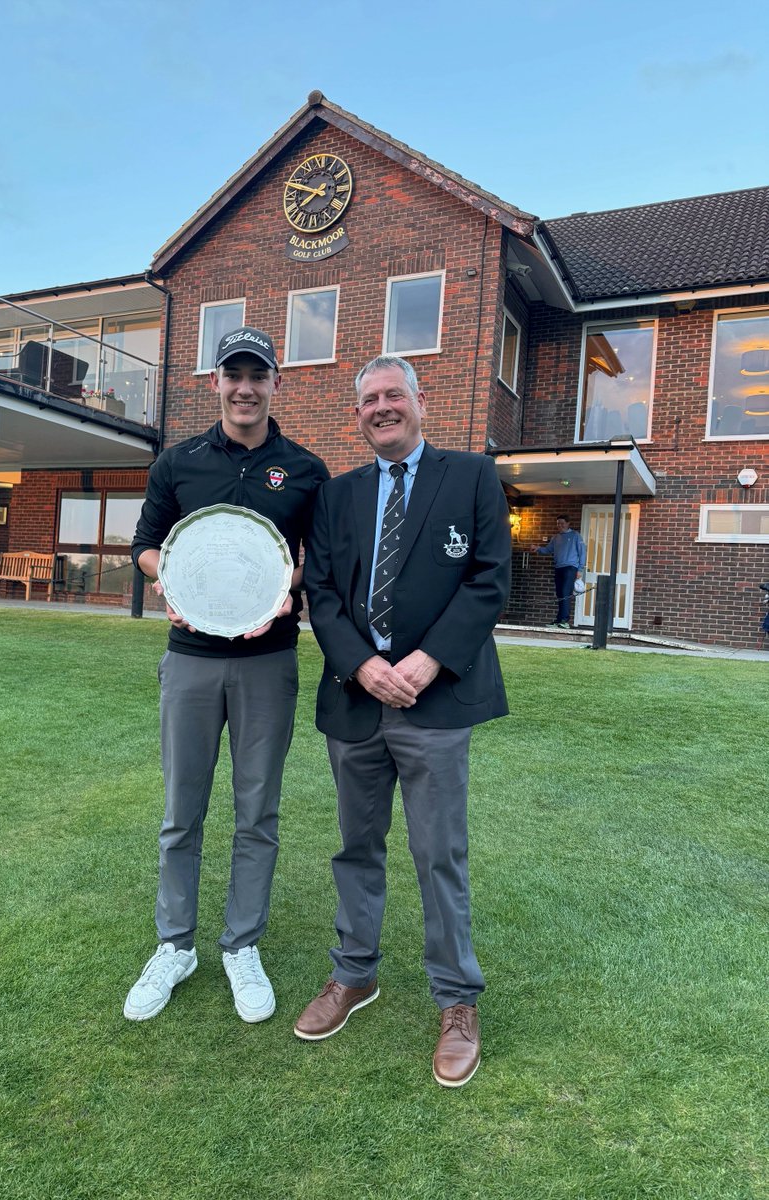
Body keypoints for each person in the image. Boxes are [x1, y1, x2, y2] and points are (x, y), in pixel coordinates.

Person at [294, 355, 511, 1087]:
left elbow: (489, 580)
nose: (382, 407)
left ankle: (457, 1001)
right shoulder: (337, 495)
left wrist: (428, 661)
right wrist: (361, 665)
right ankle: (353, 974)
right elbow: (323, 591)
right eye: (369, 400)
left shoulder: (471, 476)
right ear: (357, 414)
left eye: (394, 395)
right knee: (357, 848)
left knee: (438, 852)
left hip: (434, 700)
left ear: (421, 401)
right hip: (356, 700)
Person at [124, 326, 329, 1025]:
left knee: (257, 812)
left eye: (257, 375)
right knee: (181, 812)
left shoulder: (304, 469)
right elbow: (145, 545)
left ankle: (242, 945)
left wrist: (283, 590)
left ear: (276, 383)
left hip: (267, 661)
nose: (245, 388)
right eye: (233, 375)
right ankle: (175, 945)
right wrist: (170, 580)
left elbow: (318, 560)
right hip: (190, 659)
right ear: (214, 382)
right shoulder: (177, 462)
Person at [532, 515, 586, 629]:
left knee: (565, 593)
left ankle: (564, 621)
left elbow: (582, 552)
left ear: (568, 523)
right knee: (560, 594)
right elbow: (548, 550)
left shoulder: (575, 535)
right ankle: (559, 620)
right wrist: (538, 548)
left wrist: (580, 569)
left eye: (562, 523)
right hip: (558, 568)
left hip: (570, 568)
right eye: (558, 523)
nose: (560, 525)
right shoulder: (555, 537)